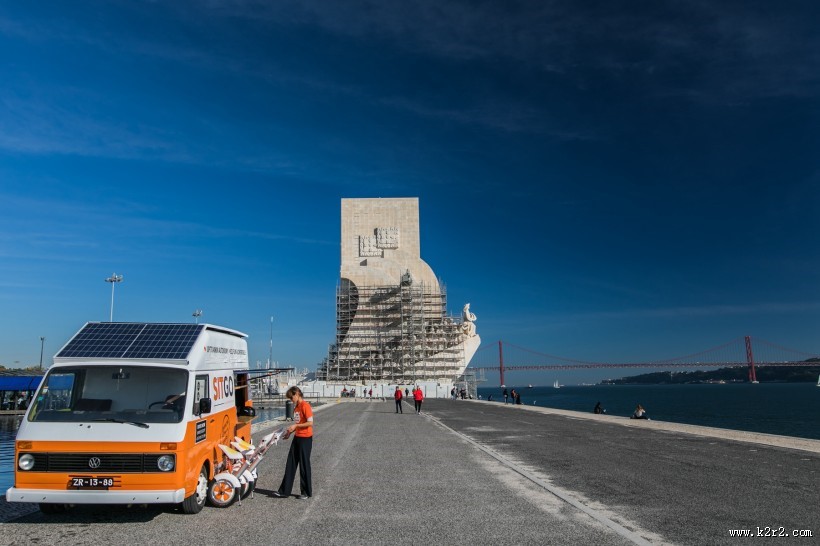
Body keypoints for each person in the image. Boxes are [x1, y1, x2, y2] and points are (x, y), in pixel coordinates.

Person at [271, 387, 314, 500]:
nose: (291, 399)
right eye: (290, 398)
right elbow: (299, 423)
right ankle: (284, 491)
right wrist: (290, 432)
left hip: (306, 439)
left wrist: (295, 426)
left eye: (292, 397)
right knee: (291, 463)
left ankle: (306, 492)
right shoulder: (296, 408)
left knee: (304, 465)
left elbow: (310, 423)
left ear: (297, 394)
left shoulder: (305, 406)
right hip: (297, 437)